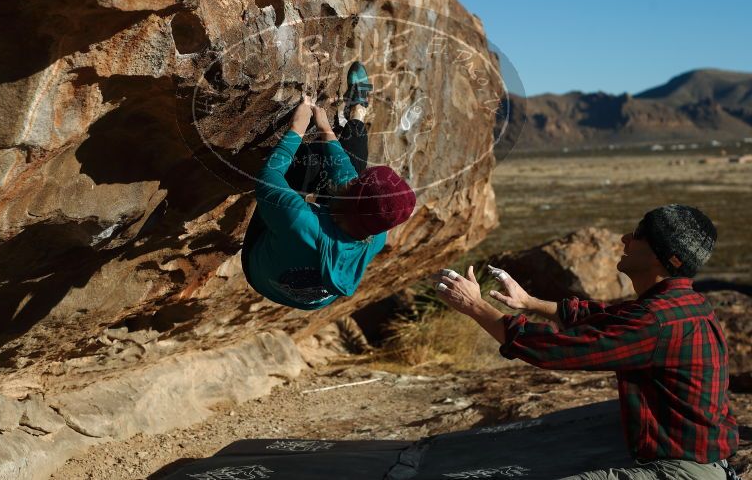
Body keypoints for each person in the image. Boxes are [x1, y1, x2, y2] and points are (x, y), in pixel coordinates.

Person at [433, 205, 739, 479]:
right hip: (702, 464)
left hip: (679, 471)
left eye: (639, 235)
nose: (624, 239)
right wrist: (530, 302)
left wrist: (475, 306)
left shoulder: (657, 320)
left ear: (663, 257)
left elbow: (558, 350)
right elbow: (606, 317)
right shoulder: (681, 304)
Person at [242, 62, 416, 310]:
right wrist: (325, 130)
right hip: (316, 297)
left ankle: (354, 115)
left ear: (347, 198)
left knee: (306, 162)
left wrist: (296, 129)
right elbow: (346, 175)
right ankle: (358, 111)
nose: (353, 179)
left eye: (355, 184)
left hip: (261, 274)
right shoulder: (376, 235)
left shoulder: (298, 220)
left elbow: (269, 176)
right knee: (350, 162)